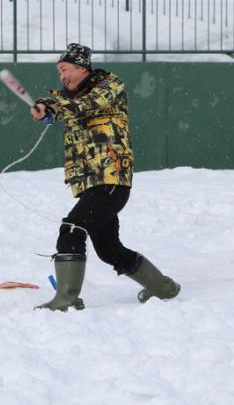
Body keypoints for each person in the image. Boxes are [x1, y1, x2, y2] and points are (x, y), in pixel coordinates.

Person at [30, 43, 180, 311]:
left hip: (111, 179)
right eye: (58, 72)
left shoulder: (110, 86)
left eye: (64, 69)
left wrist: (53, 106)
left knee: (72, 229)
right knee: (109, 249)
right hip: (91, 184)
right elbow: (65, 105)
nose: (61, 76)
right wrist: (46, 107)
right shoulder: (71, 98)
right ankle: (164, 287)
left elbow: (83, 106)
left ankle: (66, 298)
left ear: (81, 68)